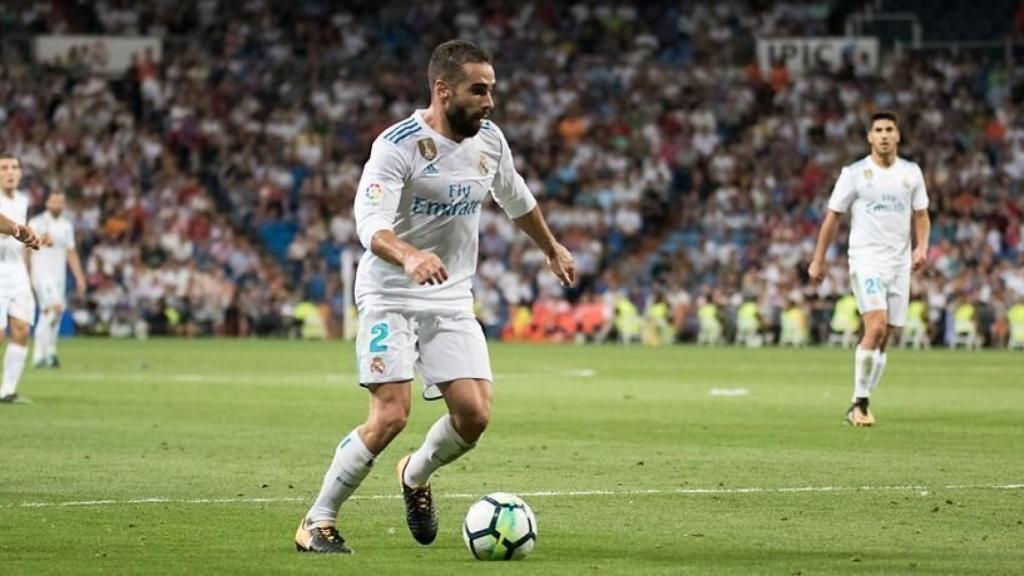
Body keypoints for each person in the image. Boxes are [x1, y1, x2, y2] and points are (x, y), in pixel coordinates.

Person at [294, 39, 576, 554]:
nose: (489, 101)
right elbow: (369, 223)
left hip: (449, 297)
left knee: (475, 415)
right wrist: (408, 256)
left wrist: (551, 247)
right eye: (478, 90)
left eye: (491, 89)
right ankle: (317, 521)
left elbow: (516, 197)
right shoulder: (397, 145)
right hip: (390, 294)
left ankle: (415, 472)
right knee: (391, 415)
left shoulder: (490, 140)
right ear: (443, 91)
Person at [808, 110, 930, 427]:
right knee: (874, 328)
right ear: (870, 137)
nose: (885, 135)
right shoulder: (854, 174)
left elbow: (921, 214)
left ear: (898, 135)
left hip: (899, 263)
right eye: (879, 130)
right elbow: (833, 217)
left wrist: (922, 247)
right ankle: (858, 403)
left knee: (886, 336)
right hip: (866, 261)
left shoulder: (911, 173)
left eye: (890, 129)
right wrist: (818, 259)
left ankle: (862, 400)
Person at [0, 153, 43, 404]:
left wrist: (34, 240)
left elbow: (23, 240)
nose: (10, 172)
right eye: (4, 167)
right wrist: (20, 230)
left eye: (14, 167)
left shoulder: (23, 201)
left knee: (22, 329)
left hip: (16, 270)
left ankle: (7, 391)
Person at [28, 191, 86, 368]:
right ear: (47, 203)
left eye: (61, 202)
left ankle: (49, 353)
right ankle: (39, 354)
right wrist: (25, 272)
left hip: (58, 276)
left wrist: (79, 276)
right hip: (41, 275)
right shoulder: (36, 223)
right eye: (54, 202)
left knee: (54, 313)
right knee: (54, 308)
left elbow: (71, 252)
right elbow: (26, 248)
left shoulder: (66, 226)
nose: (57, 205)